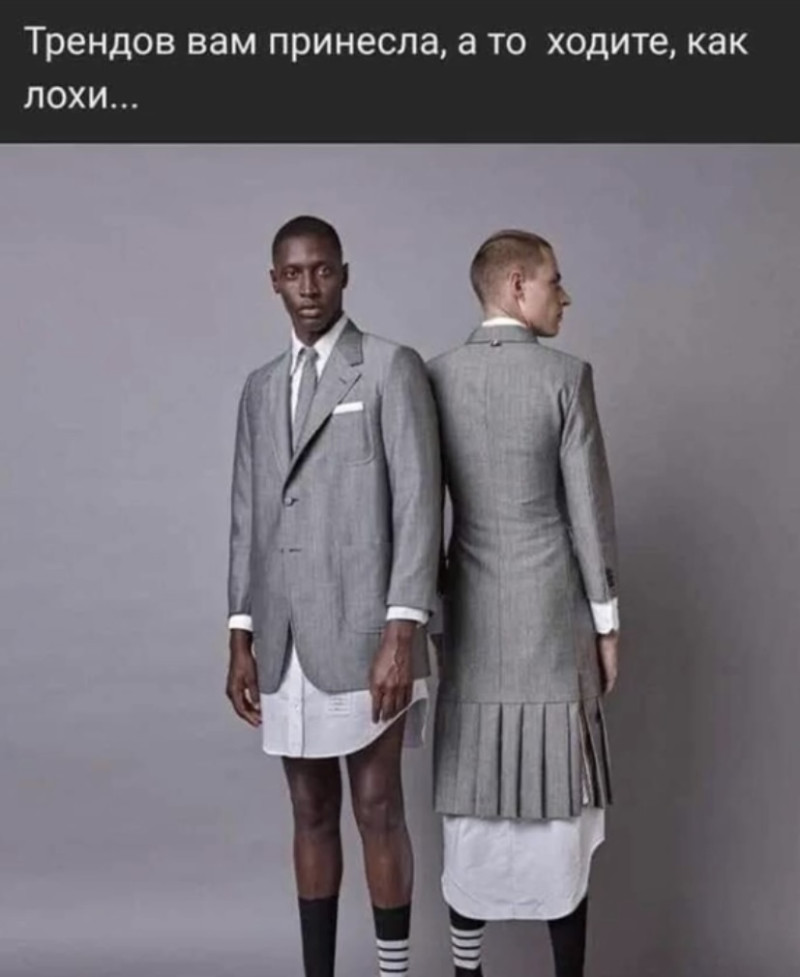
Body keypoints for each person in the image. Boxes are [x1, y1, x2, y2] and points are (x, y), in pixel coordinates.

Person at [225, 215, 442, 977]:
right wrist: (241, 632)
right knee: (309, 811)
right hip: (284, 635)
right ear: (274, 282)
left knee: (378, 806)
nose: (309, 286)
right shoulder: (259, 388)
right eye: (294, 273)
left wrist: (401, 631)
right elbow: (249, 516)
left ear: (344, 275)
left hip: (367, 632)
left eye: (322, 270)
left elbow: (420, 502)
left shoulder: (389, 367)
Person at [426, 229, 620, 977]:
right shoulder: (567, 377)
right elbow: (589, 514)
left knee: (472, 811)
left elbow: (418, 513)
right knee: (560, 817)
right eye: (554, 281)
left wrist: (422, 614)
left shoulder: (435, 377)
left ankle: (466, 972)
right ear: (516, 285)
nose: (564, 296)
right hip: (552, 622)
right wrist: (607, 622)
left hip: (467, 622)